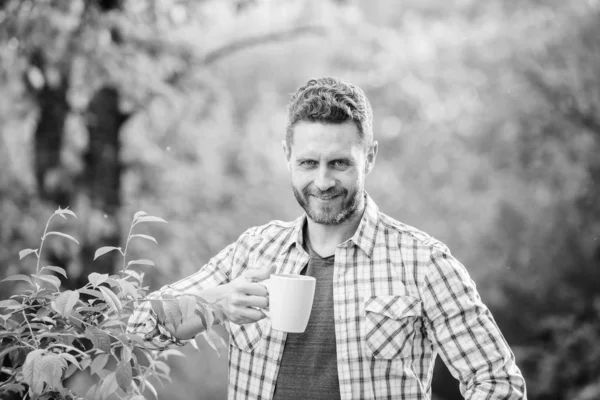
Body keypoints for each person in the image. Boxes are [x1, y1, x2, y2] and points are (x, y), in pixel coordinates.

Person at [127, 77, 527, 399]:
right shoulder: (253, 251)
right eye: (307, 163)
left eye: (339, 163)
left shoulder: (423, 262)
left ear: (369, 157)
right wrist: (218, 302)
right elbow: (137, 326)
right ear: (287, 155)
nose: (322, 182)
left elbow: (498, 383)